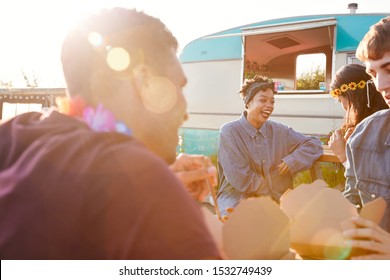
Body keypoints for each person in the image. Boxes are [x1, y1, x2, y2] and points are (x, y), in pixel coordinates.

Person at [0, 8, 221, 260]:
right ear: (143, 80)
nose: (186, 112)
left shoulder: (17, 132)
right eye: (179, 86)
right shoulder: (143, 183)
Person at [216, 75, 323, 219]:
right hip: (237, 198)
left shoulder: (280, 131)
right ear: (247, 103)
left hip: (276, 199)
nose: (269, 106)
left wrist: (292, 161)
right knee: (243, 225)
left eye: (272, 101)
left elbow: (314, 144)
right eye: (263, 100)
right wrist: (273, 189)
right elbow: (240, 179)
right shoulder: (229, 132)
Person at [341, 16, 390, 258]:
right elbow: (351, 204)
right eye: (372, 73)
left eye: (389, 69)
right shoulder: (362, 136)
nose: (380, 85)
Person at [328, 64, 388, 164]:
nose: (343, 107)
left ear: (353, 96)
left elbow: (367, 177)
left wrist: (343, 156)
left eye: (340, 100)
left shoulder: (376, 128)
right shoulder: (379, 121)